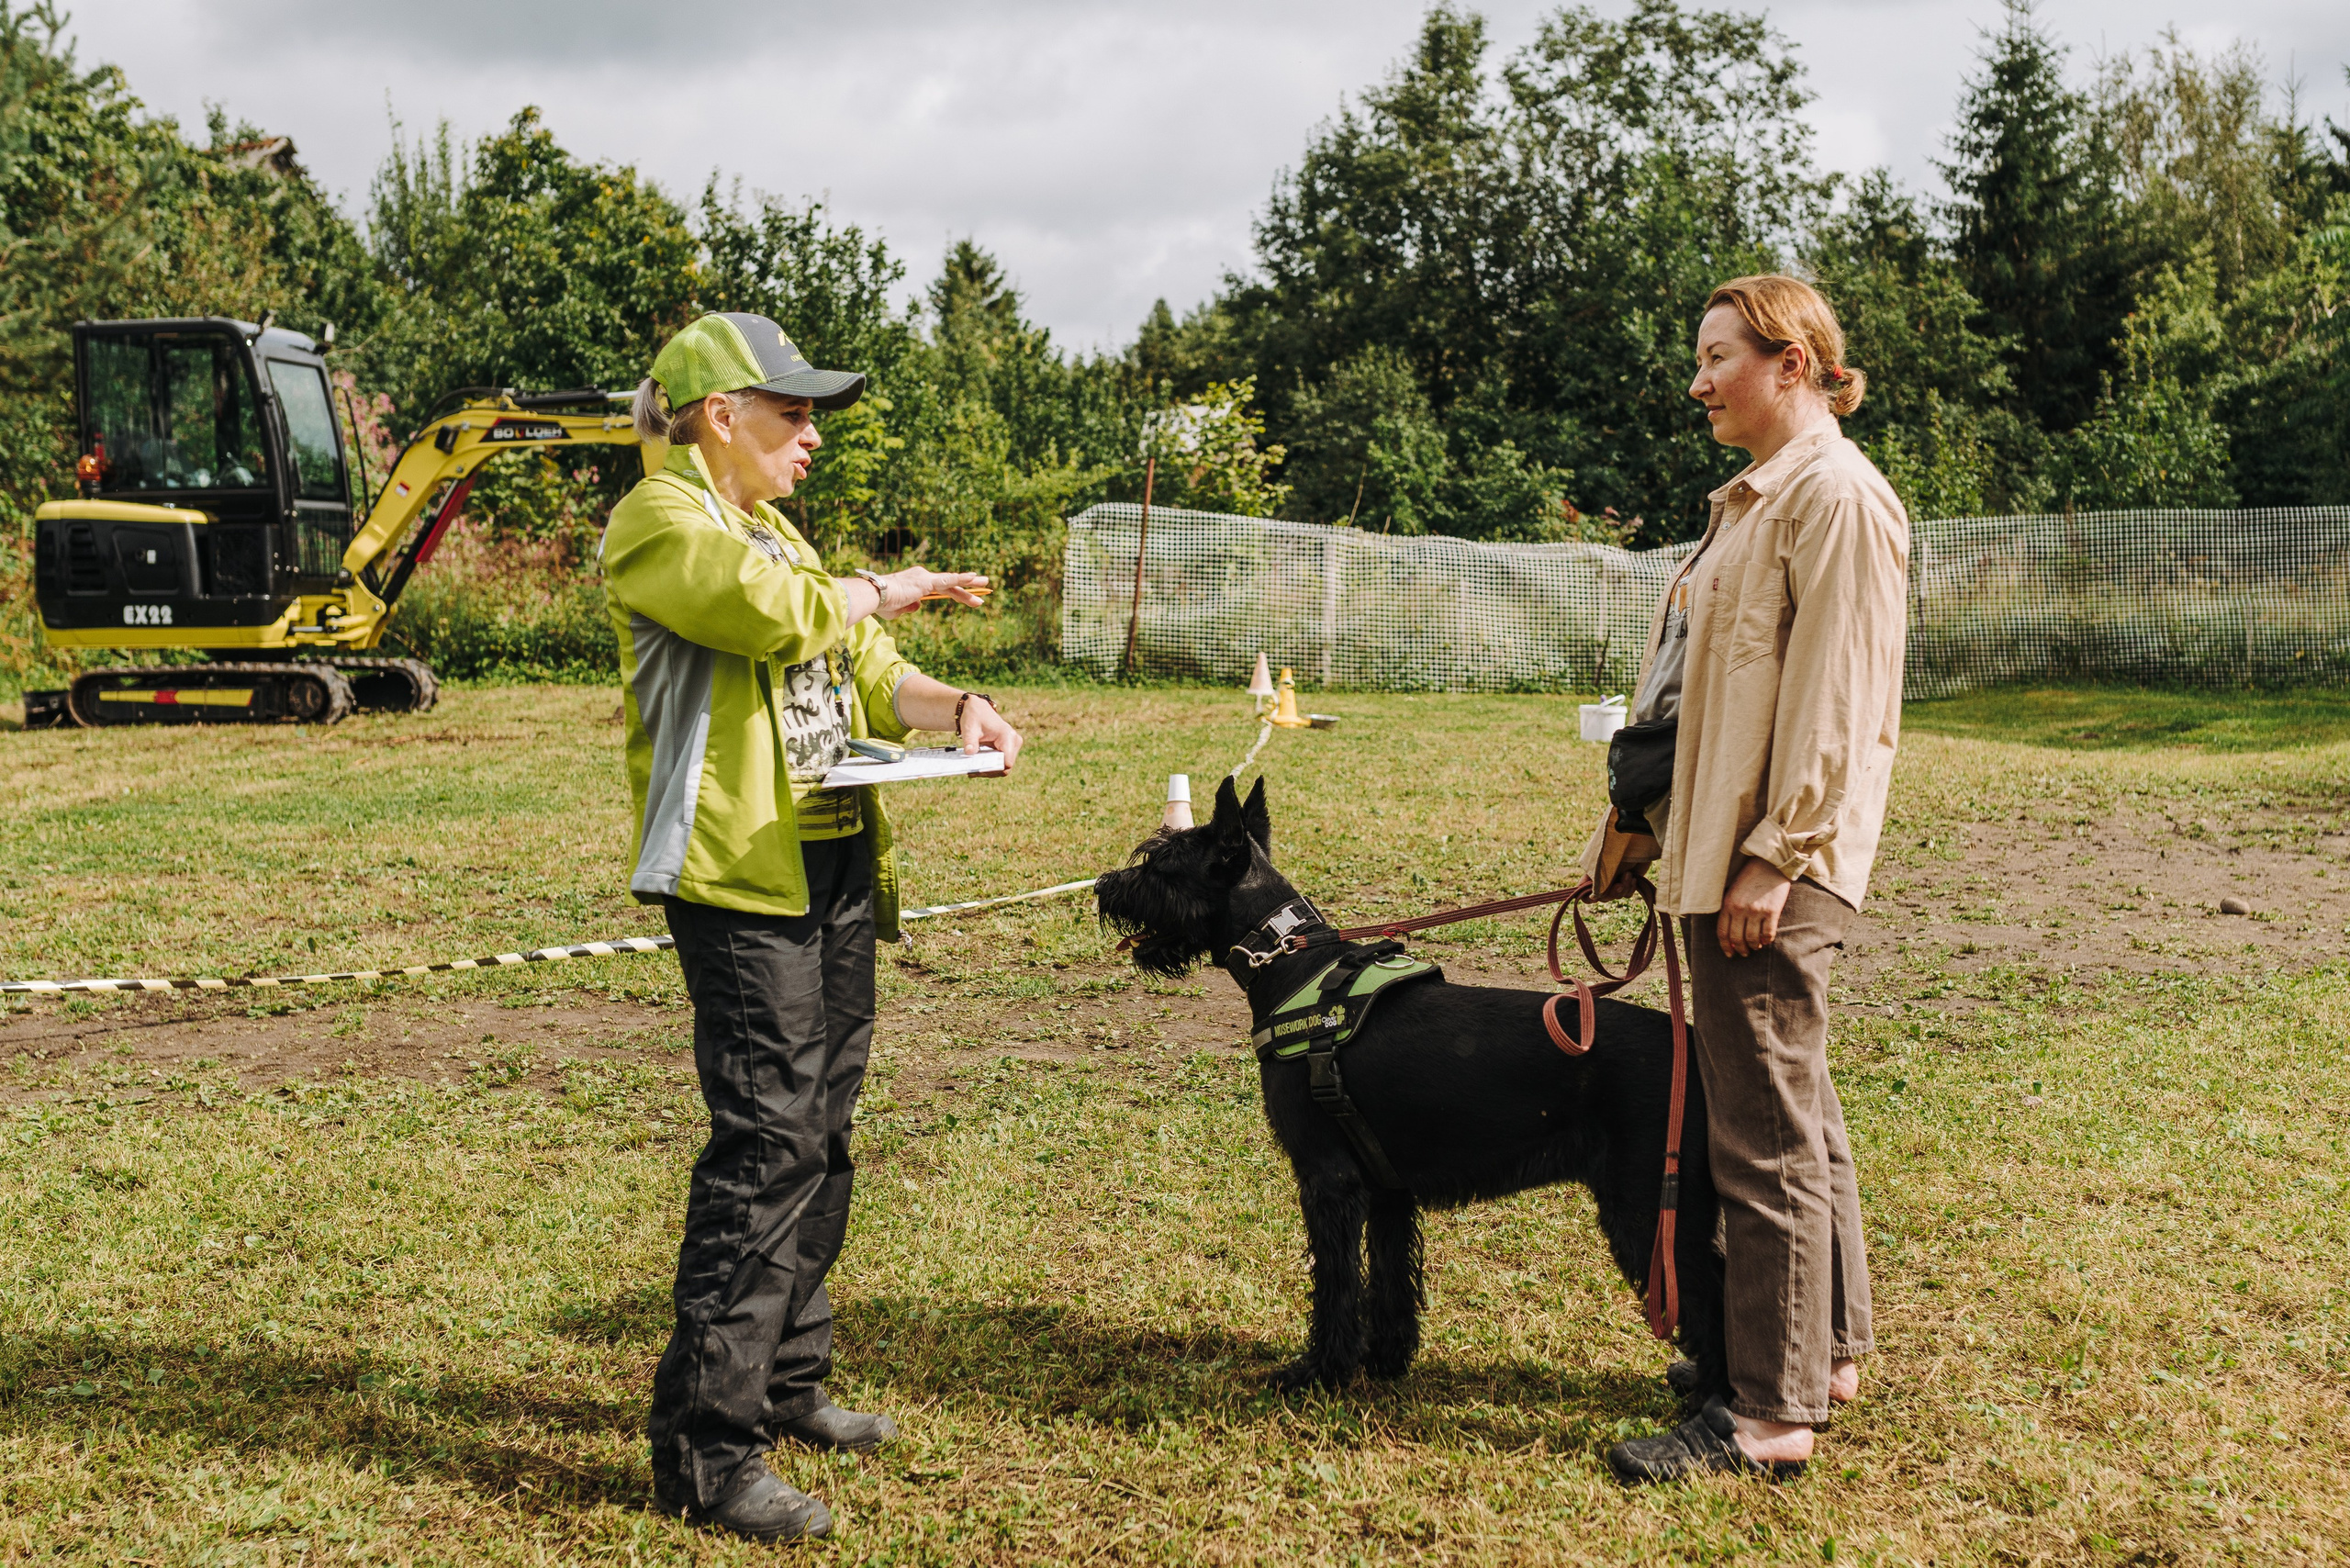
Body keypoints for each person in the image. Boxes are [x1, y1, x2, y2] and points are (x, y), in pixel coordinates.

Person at [602, 312, 1024, 1540]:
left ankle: (791, 1385)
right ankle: (705, 1456)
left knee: (821, 1134)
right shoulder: (662, 524)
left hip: (834, 866)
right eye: (792, 415)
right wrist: (883, 587)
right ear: (717, 415)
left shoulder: (777, 530)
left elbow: (873, 664)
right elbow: (775, 614)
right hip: (739, 882)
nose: (812, 439)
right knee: (768, 1144)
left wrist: (964, 706)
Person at [1591, 275, 1908, 1484]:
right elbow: (1699, 695)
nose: (1699, 378)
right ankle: (1824, 1354)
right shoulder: (1754, 503)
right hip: (1725, 853)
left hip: (1775, 864)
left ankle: (1769, 1415)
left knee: (1761, 1137)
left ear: (1794, 364)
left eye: (1720, 354)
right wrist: (1638, 829)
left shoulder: (1833, 498)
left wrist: (1774, 856)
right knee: (1798, 1117)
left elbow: (1839, 699)